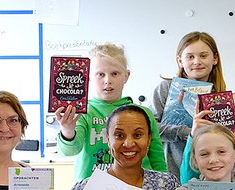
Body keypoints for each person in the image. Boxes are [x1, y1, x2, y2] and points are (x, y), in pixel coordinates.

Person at [56, 42, 166, 181]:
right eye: (100, 74)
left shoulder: (141, 113)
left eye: (115, 73)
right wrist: (67, 129)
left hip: (138, 189)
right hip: (92, 189)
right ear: (88, 77)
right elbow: (70, 150)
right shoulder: (82, 112)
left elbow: (157, 157)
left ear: (126, 76)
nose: (107, 81)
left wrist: (163, 186)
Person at [152, 31, 227, 176]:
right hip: (169, 170)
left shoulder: (220, 97)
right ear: (180, 61)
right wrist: (186, 132)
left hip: (208, 175)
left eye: (203, 56)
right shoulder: (166, 88)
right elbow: (150, 126)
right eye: (190, 57)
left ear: (215, 58)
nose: (197, 62)